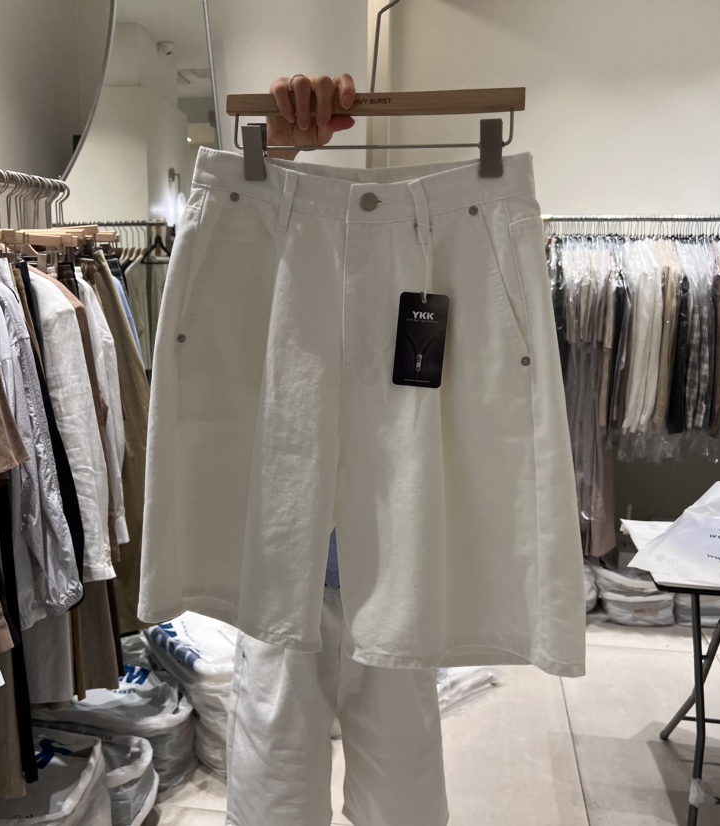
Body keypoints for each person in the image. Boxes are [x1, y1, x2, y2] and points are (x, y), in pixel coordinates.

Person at [223, 74, 449, 826]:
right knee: (273, 798)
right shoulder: (266, 250)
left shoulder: (435, 259)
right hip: (283, 565)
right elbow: (238, 238)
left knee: (403, 800)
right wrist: (275, 151)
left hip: (393, 565)